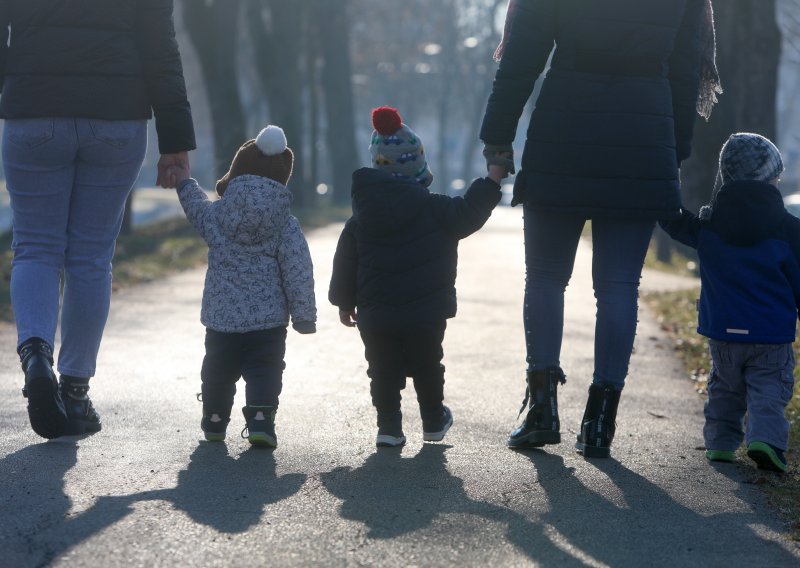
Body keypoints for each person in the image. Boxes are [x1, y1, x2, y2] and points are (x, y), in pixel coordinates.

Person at [479, 0, 720, 457]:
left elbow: (523, 54)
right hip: (644, 131)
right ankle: (599, 422)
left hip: (563, 125)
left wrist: (498, 137)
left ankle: (542, 409)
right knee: (618, 287)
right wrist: (674, 147)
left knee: (547, 277)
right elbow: (686, 67)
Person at [0, 0, 196, 439]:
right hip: (117, 117)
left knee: (35, 246)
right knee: (91, 256)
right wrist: (175, 140)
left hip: (34, 110)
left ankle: (35, 354)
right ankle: (75, 392)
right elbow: (160, 48)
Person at [329, 106, 506, 448]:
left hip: (376, 312)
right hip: (426, 311)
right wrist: (493, 178)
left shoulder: (361, 218)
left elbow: (345, 261)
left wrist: (343, 302)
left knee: (382, 369)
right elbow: (470, 211)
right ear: (419, 166)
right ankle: (433, 419)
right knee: (428, 364)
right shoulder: (436, 209)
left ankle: (389, 427)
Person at [172, 125, 316, 448]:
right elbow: (298, 268)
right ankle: (262, 420)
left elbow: (195, 207)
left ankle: (214, 417)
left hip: (221, 318)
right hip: (268, 322)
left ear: (236, 171)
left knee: (218, 369)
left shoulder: (218, 215)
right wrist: (304, 315)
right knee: (265, 369)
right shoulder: (284, 223)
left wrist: (183, 180)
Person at [660, 133, 796, 473]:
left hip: (723, 330)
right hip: (771, 334)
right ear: (773, 177)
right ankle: (765, 440)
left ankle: (720, 445)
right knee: (768, 390)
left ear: (727, 173)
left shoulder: (710, 223)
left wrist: (663, 183)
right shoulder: (789, 229)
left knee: (725, 386)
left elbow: (673, 220)